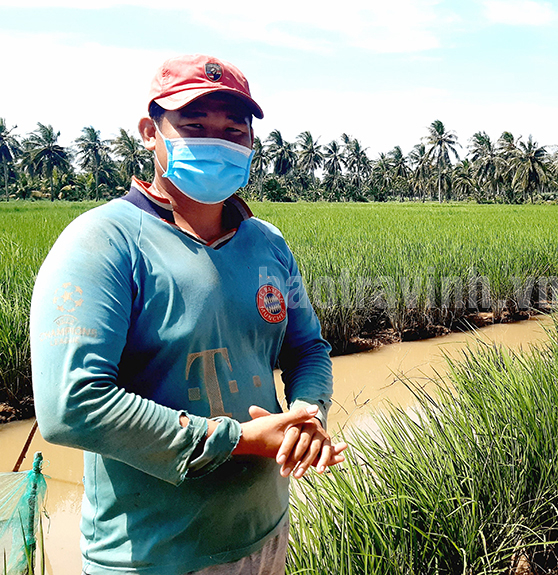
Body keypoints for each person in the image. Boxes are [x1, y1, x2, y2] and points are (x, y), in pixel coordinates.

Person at [30, 54, 346, 574]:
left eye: (233, 132)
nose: (215, 142)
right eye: (194, 126)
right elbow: (72, 406)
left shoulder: (268, 244)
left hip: (266, 533)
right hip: (155, 556)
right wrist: (239, 441)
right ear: (149, 132)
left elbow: (307, 348)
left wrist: (307, 417)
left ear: (250, 144)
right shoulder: (102, 243)